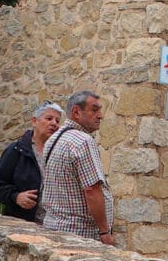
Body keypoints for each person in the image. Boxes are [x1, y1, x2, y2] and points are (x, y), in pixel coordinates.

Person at [41, 90, 115, 245]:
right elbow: (92, 190)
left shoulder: (52, 139)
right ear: (76, 112)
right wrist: (104, 232)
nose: (100, 115)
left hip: (53, 227)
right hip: (80, 234)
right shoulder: (83, 141)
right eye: (94, 110)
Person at [0, 101, 63, 222]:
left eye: (57, 121)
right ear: (34, 121)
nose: (54, 123)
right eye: (49, 118)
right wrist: (16, 196)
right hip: (23, 223)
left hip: (54, 224)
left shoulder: (60, 152)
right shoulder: (16, 150)